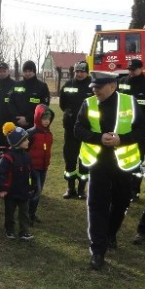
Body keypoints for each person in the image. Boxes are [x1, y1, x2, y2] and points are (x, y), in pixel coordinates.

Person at [74, 71, 145, 270]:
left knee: (121, 202)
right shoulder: (88, 104)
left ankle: (110, 234)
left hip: (122, 165)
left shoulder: (129, 102)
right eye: (93, 87)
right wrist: (98, 138)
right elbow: (78, 129)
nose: (95, 90)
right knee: (97, 205)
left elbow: (143, 131)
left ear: (112, 85)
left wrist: (121, 140)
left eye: (99, 87)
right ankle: (97, 250)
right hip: (98, 164)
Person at [118, 59, 145, 201]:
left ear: (141, 69)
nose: (131, 72)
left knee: (137, 160)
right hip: (123, 127)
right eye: (129, 69)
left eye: (134, 69)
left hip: (141, 129)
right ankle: (122, 188)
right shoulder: (122, 81)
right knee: (123, 158)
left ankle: (134, 190)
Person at [59, 61, 92, 199]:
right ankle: (70, 188)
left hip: (87, 129)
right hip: (70, 129)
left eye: (82, 71)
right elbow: (62, 104)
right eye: (77, 71)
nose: (79, 74)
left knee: (85, 160)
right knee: (70, 158)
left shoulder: (93, 85)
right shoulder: (67, 85)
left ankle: (81, 190)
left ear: (87, 72)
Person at [0, 122, 35, 241]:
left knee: (24, 212)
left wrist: (31, 186)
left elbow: (30, 173)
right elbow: (1, 174)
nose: (28, 142)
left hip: (23, 191)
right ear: (18, 143)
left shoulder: (27, 156)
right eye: (25, 140)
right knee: (10, 213)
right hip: (11, 192)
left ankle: (24, 231)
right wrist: (2, 188)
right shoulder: (7, 158)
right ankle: (9, 230)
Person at [26, 104, 54, 224]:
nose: (46, 122)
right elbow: (24, 149)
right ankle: (26, 215)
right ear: (38, 118)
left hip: (44, 167)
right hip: (33, 168)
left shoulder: (49, 134)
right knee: (34, 191)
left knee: (38, 191)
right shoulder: (31, 133)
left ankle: (32, 213)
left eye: (48, 119)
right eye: (44, 119)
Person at [9, 60, 50, 128]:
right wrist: (18, 118)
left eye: (30, 71)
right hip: (18, 124)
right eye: (25, 71)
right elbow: (11, 103)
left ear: (34, 71)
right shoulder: (17, 85)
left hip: (34, 125)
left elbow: (44, 106)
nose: (27, 73)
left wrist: (28, 119)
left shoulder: (42, 86)